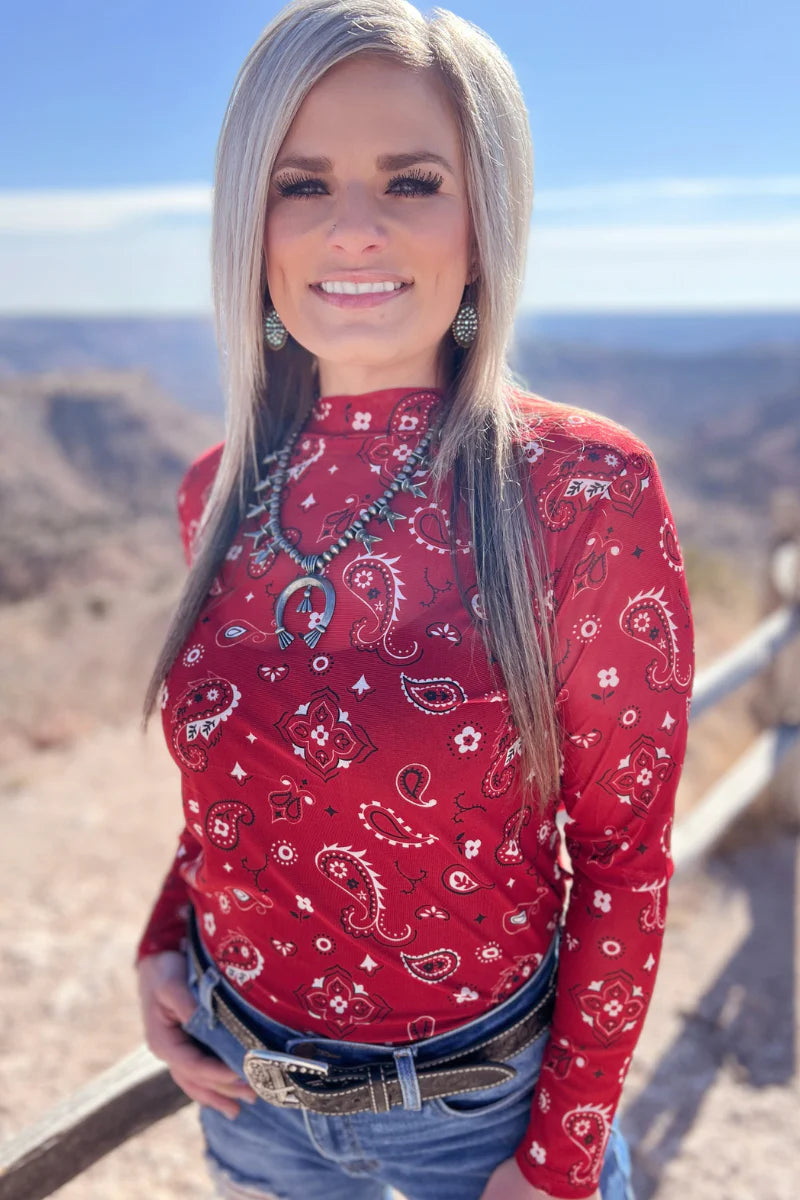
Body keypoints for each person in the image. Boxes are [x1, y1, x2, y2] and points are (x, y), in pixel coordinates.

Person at [135, 2, 694, 1198]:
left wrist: (555, 1160)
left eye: (411, 180)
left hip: (477, 1118)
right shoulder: (215, 492)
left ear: (485, 218)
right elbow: (239, 787)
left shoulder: (577, 489)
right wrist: (159, 946)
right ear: (252, 219)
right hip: (249, 1103)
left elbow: (624, 859)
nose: (352, 228)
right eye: (301, 184)